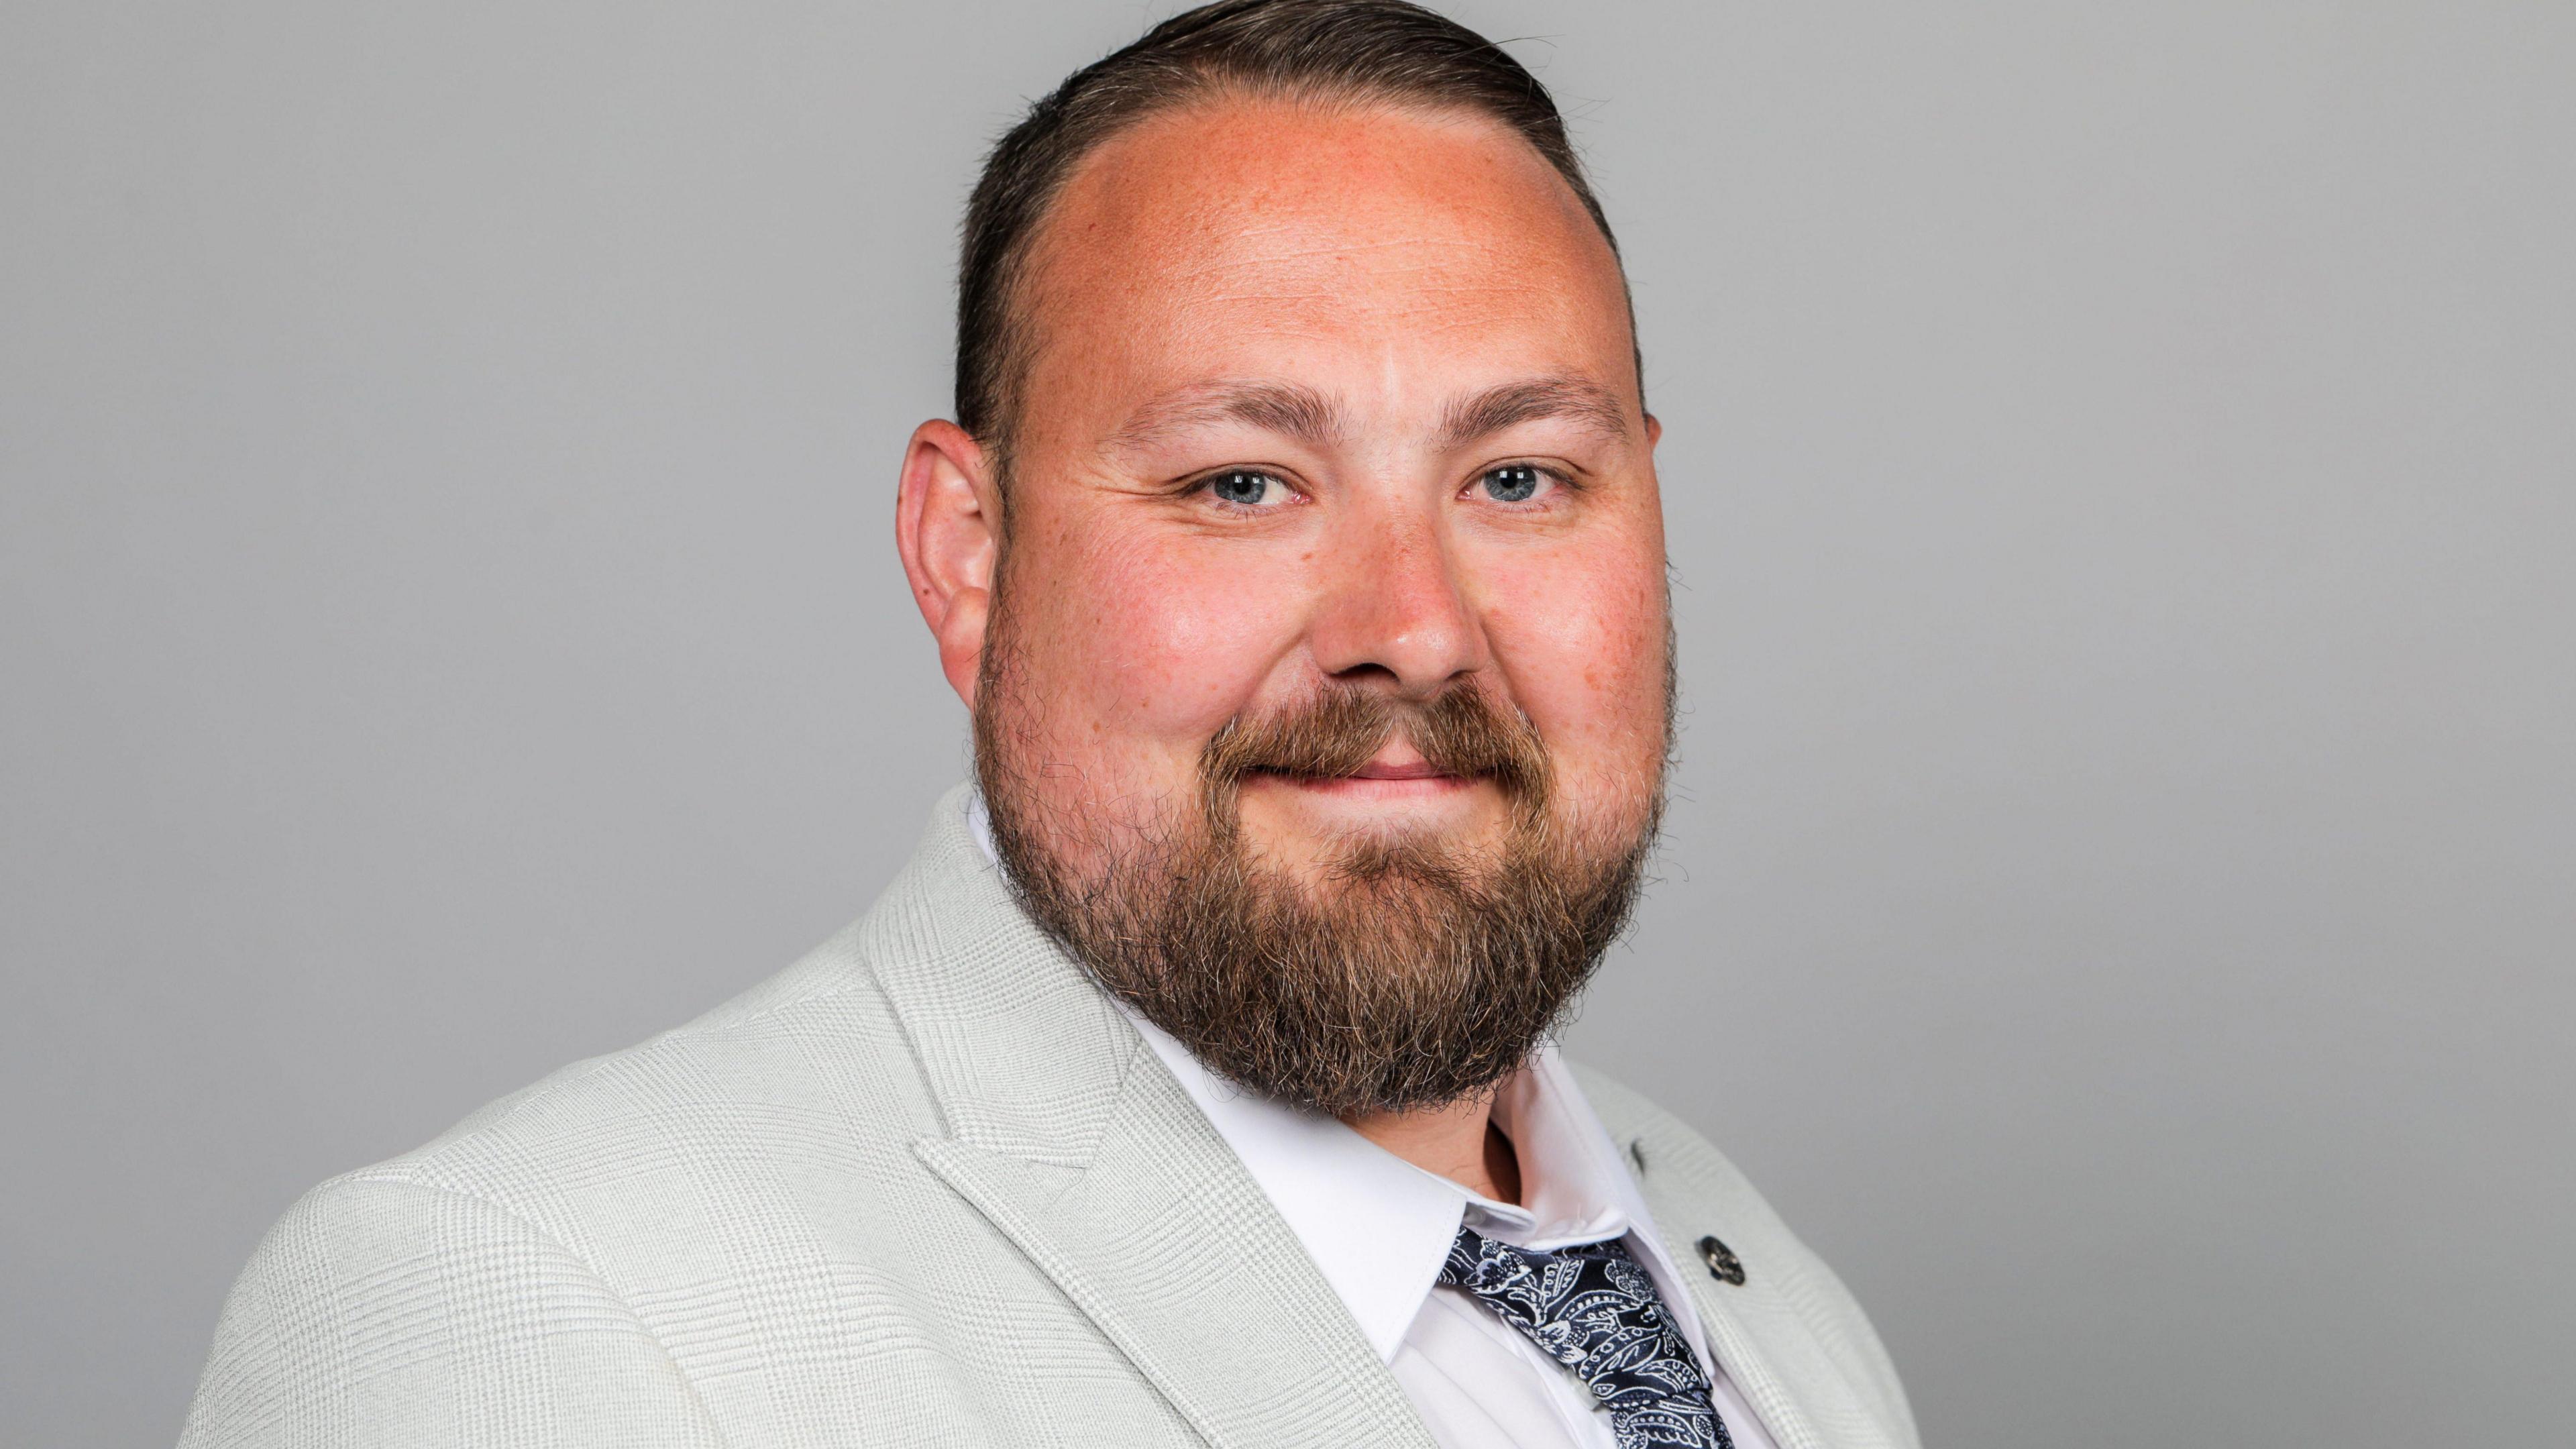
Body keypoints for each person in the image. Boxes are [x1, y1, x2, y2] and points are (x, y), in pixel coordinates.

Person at [180, 3, 1919, 1446]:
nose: (1410, 629)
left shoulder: (1752, 1297)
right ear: (969, 556)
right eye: (1243, 481)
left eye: (1521, 476)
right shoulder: (536, 1324)